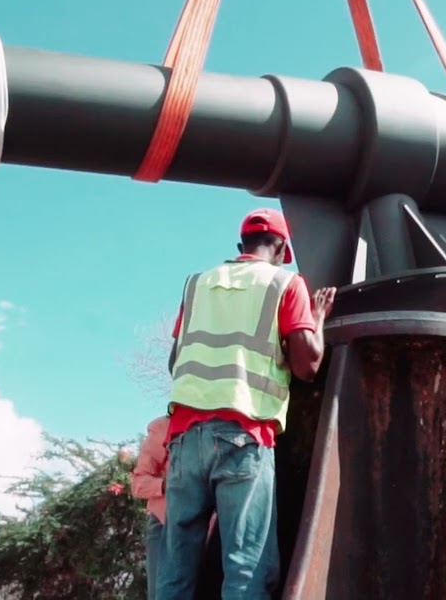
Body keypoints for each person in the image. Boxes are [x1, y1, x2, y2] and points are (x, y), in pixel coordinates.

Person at [161, 208, 335, 600]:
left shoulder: (197, 284)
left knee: (175, 572)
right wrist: (318, 318)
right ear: (280, 248)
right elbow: (308, 366)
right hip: (243, 436)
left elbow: (176, 360)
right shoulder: (285, 284)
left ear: (241, 246)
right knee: (247, 568)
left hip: (184, 440)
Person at [131, 414, 172, 600]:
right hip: (165, 526)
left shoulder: (223, 421)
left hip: (211, 530)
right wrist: (167, 485)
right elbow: (138, 483)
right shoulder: (164, 425)